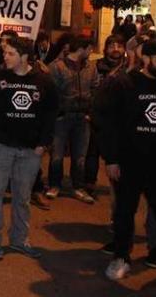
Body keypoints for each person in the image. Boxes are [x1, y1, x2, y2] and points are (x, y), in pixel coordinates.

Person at [96, 38, 156, 280]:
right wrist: (112, 159)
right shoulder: (126, 84)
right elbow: (110, 125)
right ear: (145, 59)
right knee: (125, 212)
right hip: (130, 162)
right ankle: (121, 257)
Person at [0, 37, 58, 260]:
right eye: (5, 53)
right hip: (0, 146)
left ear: (24, 57)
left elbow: (51, 114)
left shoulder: (44, 81)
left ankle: (19, 239)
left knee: (22, 197)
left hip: (30, 150)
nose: (5, 57)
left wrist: (43, 143)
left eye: (10, 54)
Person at [46, 35, 98, 204]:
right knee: (57, 155)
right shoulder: (57, 67)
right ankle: (54, 185)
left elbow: (95, 89)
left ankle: (78, 187)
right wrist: (57, 112)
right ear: (81, 49)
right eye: (90, 49)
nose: (91, 52)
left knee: (80, 156)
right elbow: (50, 93)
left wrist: (90, 111)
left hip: (82, 117)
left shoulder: (90, 67)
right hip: (62, 117)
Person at [86, 34, 127, 192]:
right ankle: (89, 182)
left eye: (119, 46)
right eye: (112, 46)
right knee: (92, 150)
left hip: (119, 120)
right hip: (98, 117)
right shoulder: (95, 66)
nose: (115, 49)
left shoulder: (129, 69)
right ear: (105, 49)